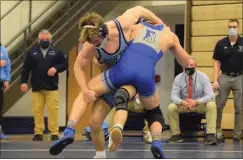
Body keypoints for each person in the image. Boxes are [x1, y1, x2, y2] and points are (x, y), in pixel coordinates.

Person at [50, 8, 189, 159]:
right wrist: (85, 90)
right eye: (91, 42)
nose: (95, 45)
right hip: (114, 77)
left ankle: (117, 129)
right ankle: (86, 143)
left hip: (124, 77)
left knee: (122, 95)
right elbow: (78, 65)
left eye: (97, 41)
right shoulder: (91, 44)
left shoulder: (125, 25)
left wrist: (158, 22)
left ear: (104, 31)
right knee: (95, 121)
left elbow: (140, 9)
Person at [20, 30, 67, 141]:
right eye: (42, 40)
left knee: (53, 111)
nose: (45, 41)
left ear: (51, 40)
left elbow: (64, 64)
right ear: (38, 40)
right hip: (37, 87)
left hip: (52, 87)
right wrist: (23, 82)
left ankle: (54, 132)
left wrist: (56, 68)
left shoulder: (57, 52)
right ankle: (38, 132)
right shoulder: (32, 52)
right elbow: (25, 69)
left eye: (47, 39)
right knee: (37, 111)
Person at [167, 56, 217, 145]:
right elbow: (173, 96)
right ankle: (176, 135)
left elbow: (211, 95)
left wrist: (197, 102)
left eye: (191, 65)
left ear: (196, 66)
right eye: (187, 65)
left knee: (211, 105)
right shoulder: (178, 78)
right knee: (171, 107)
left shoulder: (203, 77)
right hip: (184, 105)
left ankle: (210, 135)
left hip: (198, 104)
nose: (189, 67)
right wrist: (182, 102)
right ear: (183, 67)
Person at [213, 19, 243, 142]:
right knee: (218, 105)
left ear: (239, 28)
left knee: (239, 108)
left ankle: (236, 134)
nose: (232, 28)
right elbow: (216, 63)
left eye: (234, 26)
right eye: (230, 26)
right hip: (224, 77)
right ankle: (217, 131)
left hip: (240, 77)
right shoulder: (220, 43)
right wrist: (215, 80)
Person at [0, 42, 11, 140]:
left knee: (0, 108)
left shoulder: (3, 49)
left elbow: (7, 65)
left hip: (0, 81)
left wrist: (7, 80)